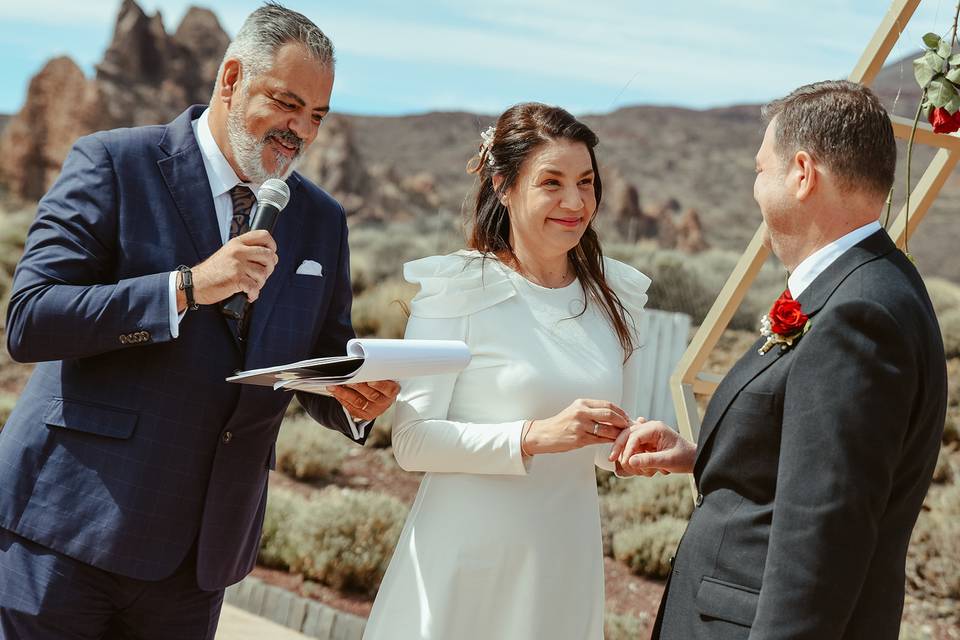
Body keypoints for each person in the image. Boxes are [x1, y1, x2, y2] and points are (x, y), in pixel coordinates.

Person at [0, 4, 398, 638]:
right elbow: (32, 319)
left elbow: (318, 353)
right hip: (67, 533)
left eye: (316, 117)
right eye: (287, 104)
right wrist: (185, 289)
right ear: (232, 78)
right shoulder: (115, 163)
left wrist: (350, 395)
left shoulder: (323, 220)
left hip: (199, 560)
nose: (300, 131)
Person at [612, 80, 947, 639]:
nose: (754, 189)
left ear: (802, 173)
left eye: (760, 170)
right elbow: (816, 473)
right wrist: (704, 458)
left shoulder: (856, 314)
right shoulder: (866, 286)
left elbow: (823, 539)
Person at [362, 103, 651, 640]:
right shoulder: (459, 288)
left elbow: (603, 449)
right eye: (552, 182)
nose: (575, 201)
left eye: (586, 182)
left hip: (563, 558)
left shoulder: (618, 300)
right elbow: (413, 442)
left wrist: (634, 446)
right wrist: (533, 437)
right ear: (503, 185)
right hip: (467, 560)